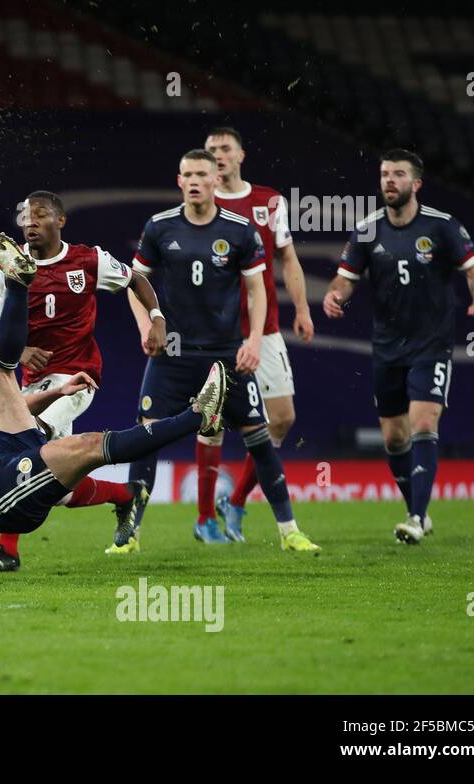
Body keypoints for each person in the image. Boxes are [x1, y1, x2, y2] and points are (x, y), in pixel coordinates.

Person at [0, 230, 228, 580]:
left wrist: (59, 390)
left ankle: (18, 283)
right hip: (1, 499)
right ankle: (196, 417)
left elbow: (9, 410)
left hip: (7, 457)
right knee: (80, 447)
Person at [122, 150, 320, 553]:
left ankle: (289, 531)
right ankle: (128, 536)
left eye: (201, 174)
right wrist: (146, 326)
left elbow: (258, 289)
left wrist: (252, 343)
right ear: (179, 181)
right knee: (146, 437)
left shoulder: (240, 230)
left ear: (215, 181)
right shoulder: (159, 227)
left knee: (258, 436)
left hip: (226, 355)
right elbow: (135, 283)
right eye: (187, 174)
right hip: (171, 355)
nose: (194, 181)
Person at [0, 191, 161, 571]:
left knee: (25, 449)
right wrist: (21, 353)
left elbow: (136, 279)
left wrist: (157, 317)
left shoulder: (88, 260)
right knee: (53, 486)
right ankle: (125, 494)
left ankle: (7, 551)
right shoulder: (7, 263)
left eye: (40, 216)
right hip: (32, 382)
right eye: (25, 216)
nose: (29, 223)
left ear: (61, 221)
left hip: (78, 374)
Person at [323, 149, 474, 543]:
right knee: (394, 438)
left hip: (431, 344)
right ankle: (418, 509)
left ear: (415, 183)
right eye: (384, 174)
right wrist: (336, 295)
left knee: (423, 422)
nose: (389, 181)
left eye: (398, 174)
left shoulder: (443, 226)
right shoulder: (367, 229)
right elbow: (345, 278)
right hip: (387, 348)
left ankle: (415, 518)